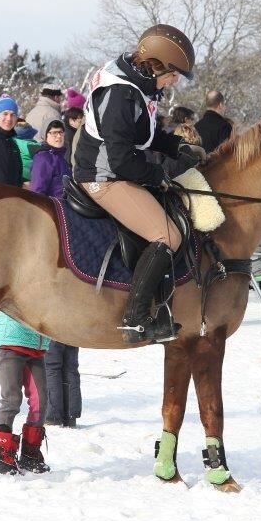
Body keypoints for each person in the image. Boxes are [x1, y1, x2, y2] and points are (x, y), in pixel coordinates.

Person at [73, 24, 205, 343]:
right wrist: (159, 175)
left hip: (115, 168)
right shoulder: (119, 92)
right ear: (156, 64)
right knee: (166, 234)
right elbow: (120, 159)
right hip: (102, 175)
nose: (175, 80)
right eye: (173, 73)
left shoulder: (138, 84)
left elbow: (143, 135)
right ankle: (135, 318)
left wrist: (176, 147)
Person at [28, 119, 82, 427]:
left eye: (61, 133)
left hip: (73, 220)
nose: (58, 137)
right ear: (46, 136)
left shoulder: (69, 159)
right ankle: (52, 412)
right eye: (53, 133)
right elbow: (38, 192)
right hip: (53, 220)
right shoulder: (43, 159)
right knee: (54, 357)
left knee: (69, 359)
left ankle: (69, 411)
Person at [0, 311, 51, 475]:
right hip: (10, 342)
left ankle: (30, 454)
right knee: (11, 399)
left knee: (40, 400)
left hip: (36, 346)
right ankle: (2, 455)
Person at [195, 90, 232, 154]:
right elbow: (227, 154)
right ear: (220, 105)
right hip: (218, 163)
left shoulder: (195, 127)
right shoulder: (224, 126)